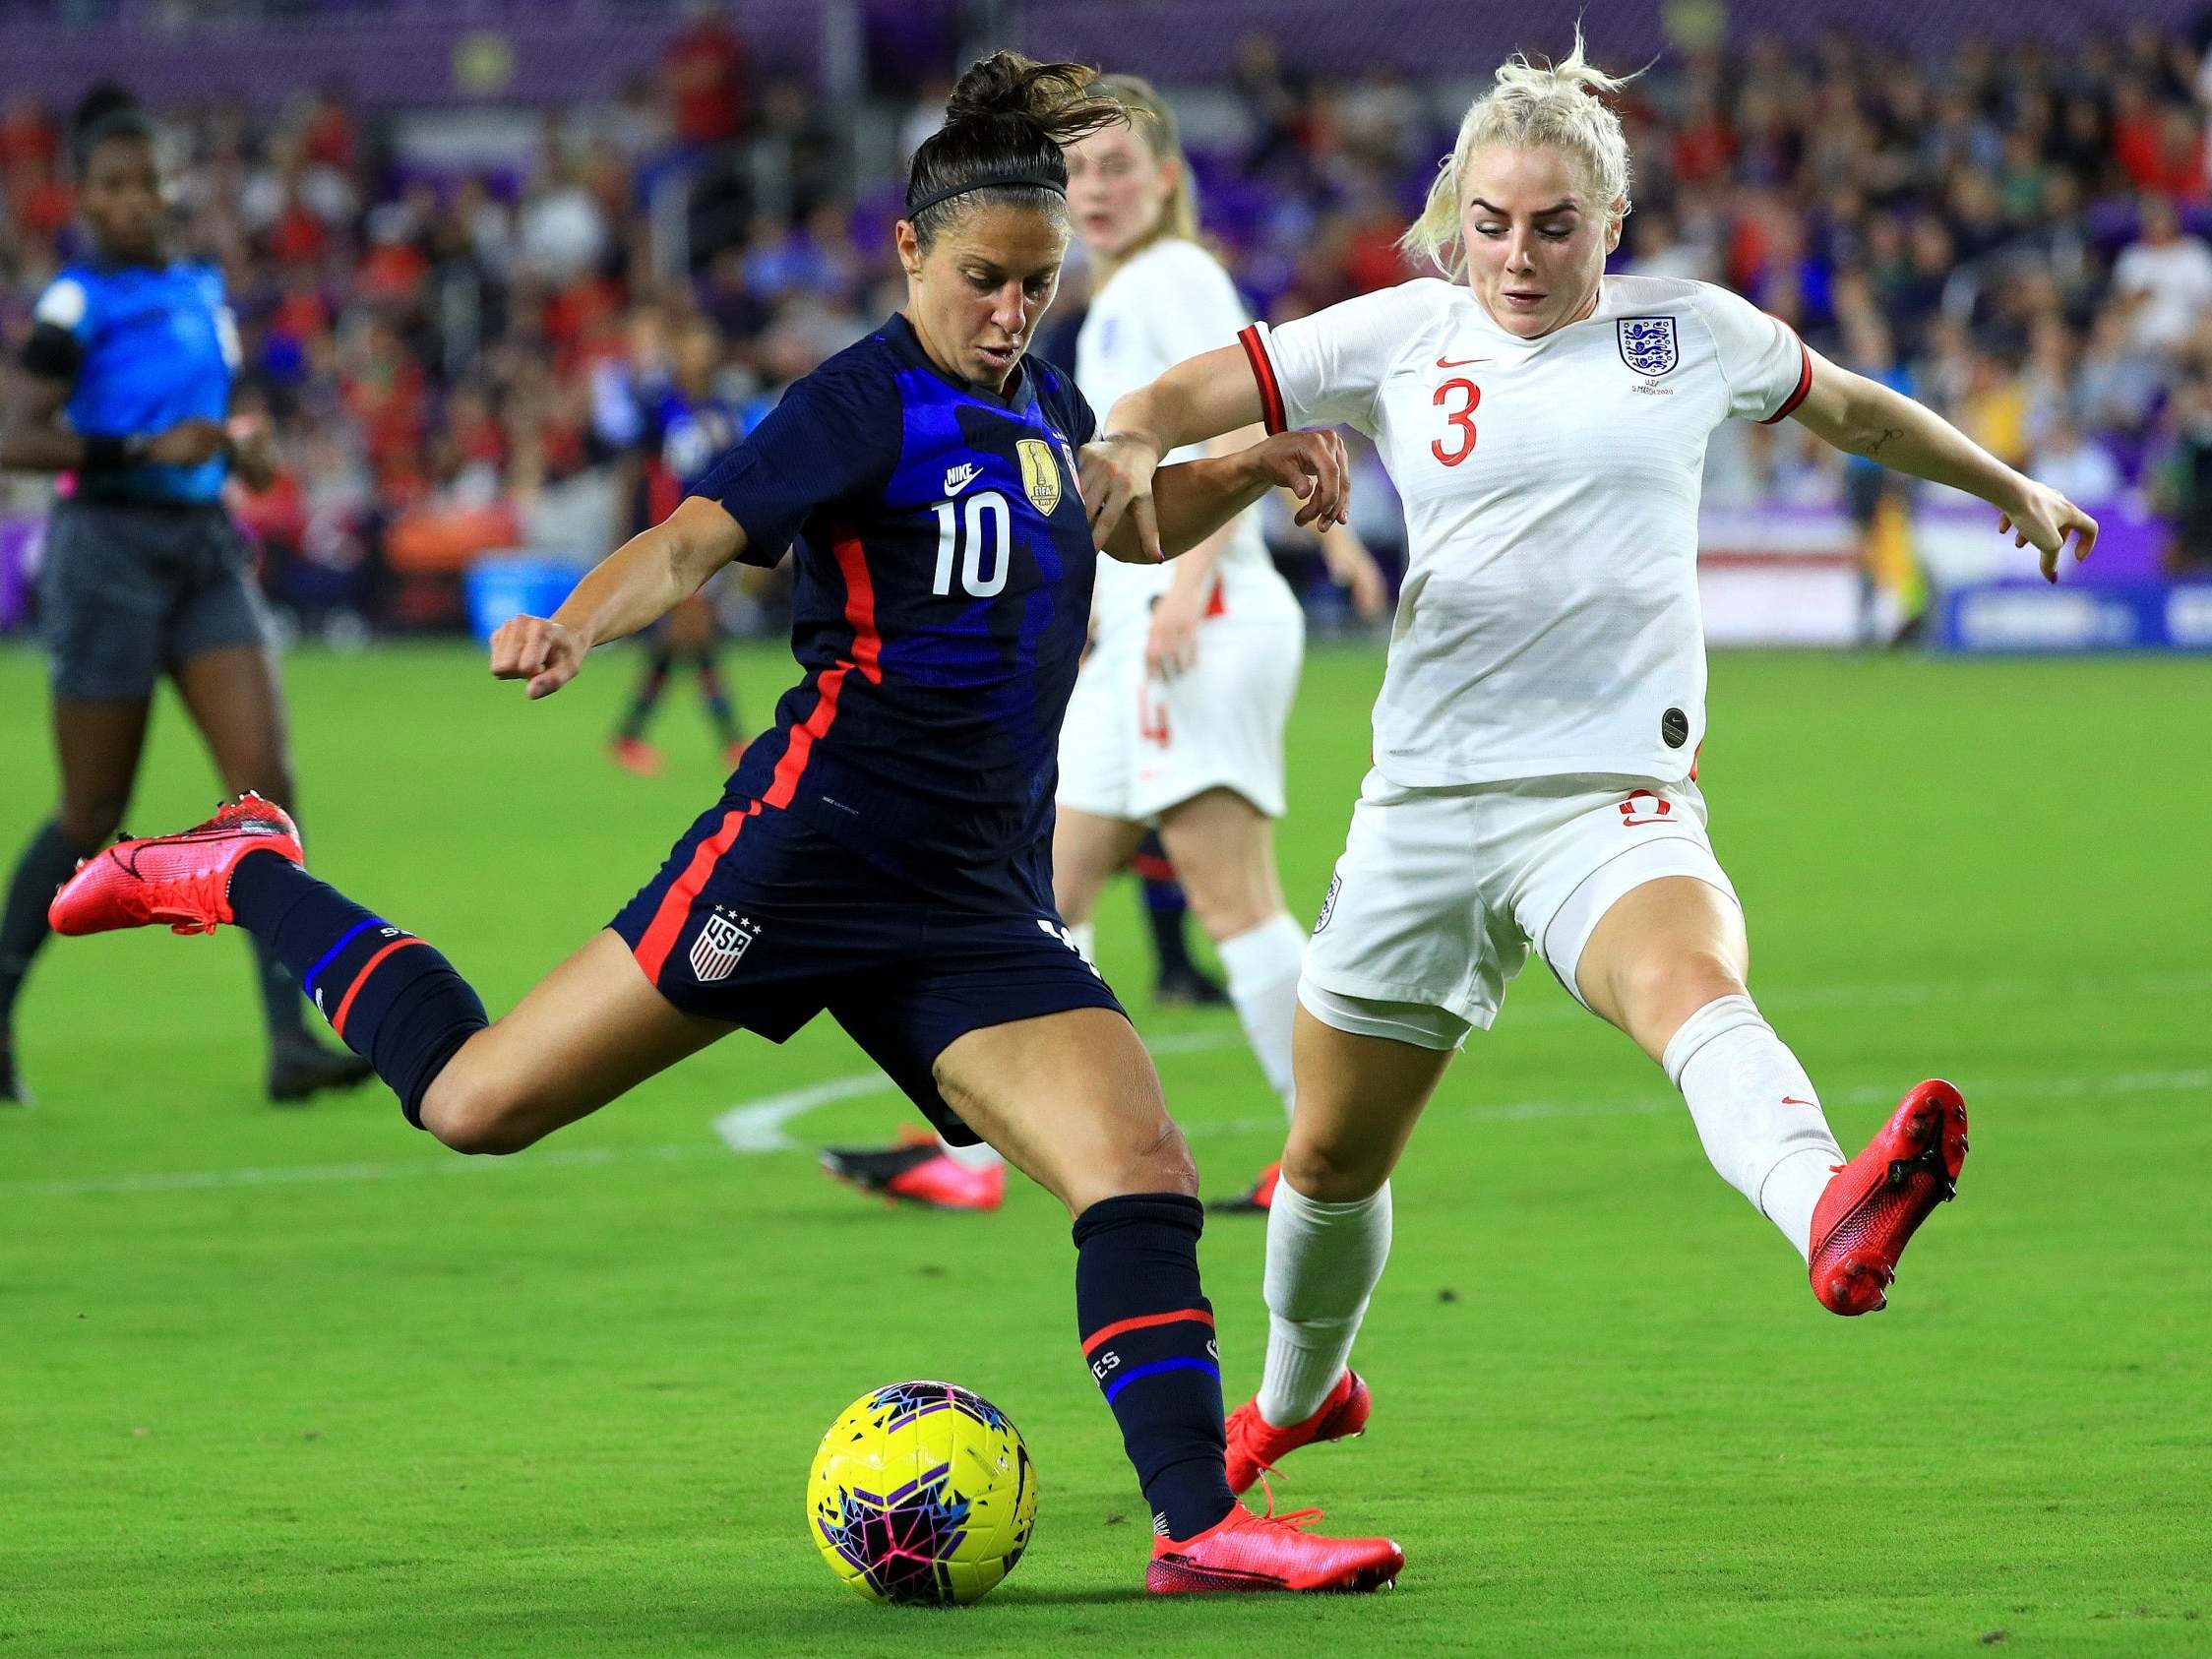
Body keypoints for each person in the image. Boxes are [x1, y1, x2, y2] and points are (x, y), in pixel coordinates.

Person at [46, 54, 1401, 1596]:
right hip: (804, 856)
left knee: (1140, 1168)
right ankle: (248, 869)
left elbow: (1111, 515)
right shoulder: (854, 403)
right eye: (985, 281)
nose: (1014, 311)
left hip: (968, 899)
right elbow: (694, 539)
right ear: (909, 252)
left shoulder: (1048, 403)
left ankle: (1198, 1528)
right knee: (477, 1104)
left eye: (1038, 283)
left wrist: (1251, 464)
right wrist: (573, 623)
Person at [1080, 32, 2098, 1493]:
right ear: (1457, 218)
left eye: (1554, 226)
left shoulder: (1688, 334)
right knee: (1326, 1160)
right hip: (1426, 804)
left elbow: (1860, 410)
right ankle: (1301, 1395)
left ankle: (1832, 1212)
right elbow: (1187, 395)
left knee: (1691, 984)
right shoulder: (1401, 334)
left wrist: (2007, 482)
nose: (1516, 253)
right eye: (1490, 223)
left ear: (1609, 225)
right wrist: (1121, 435)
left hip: (1608, 798)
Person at [822, 74, 1387, 1216]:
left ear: (1167, 179)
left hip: (1194, 625)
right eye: (1080, 172)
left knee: (1230, 899)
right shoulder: (1121, 292)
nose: (1100, 189)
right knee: (1044, 887)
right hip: (1150, 631)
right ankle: (985, 1146)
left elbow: (1226, 417)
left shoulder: (1171, 279)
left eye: (1122, 167)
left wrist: (1184, 590)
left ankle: (1321, 1155)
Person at [0, 85, 370, 1108]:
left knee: (264, 791)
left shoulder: (203, 286)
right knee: (92, 810)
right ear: (83, 196)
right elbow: (15, 433)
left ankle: (290, 1041)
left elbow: (214, 417)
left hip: (203, 548)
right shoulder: (78, 301)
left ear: (171, 182)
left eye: (144, 178)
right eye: (110, 184)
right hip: (107, 551)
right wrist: (138, 449)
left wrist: (238, 457)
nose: (130, 199)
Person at [599, 312, 753, 773]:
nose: (702, 354)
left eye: (707, 346)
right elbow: (636, 471)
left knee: (680, 639)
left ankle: (628, 736)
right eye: (693, 345)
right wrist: (625, 528)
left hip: (714, 536)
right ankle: (731, 741)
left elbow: (741, 478)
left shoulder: (724, 414)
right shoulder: (661, 408)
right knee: (695, 631)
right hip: (671, 535)